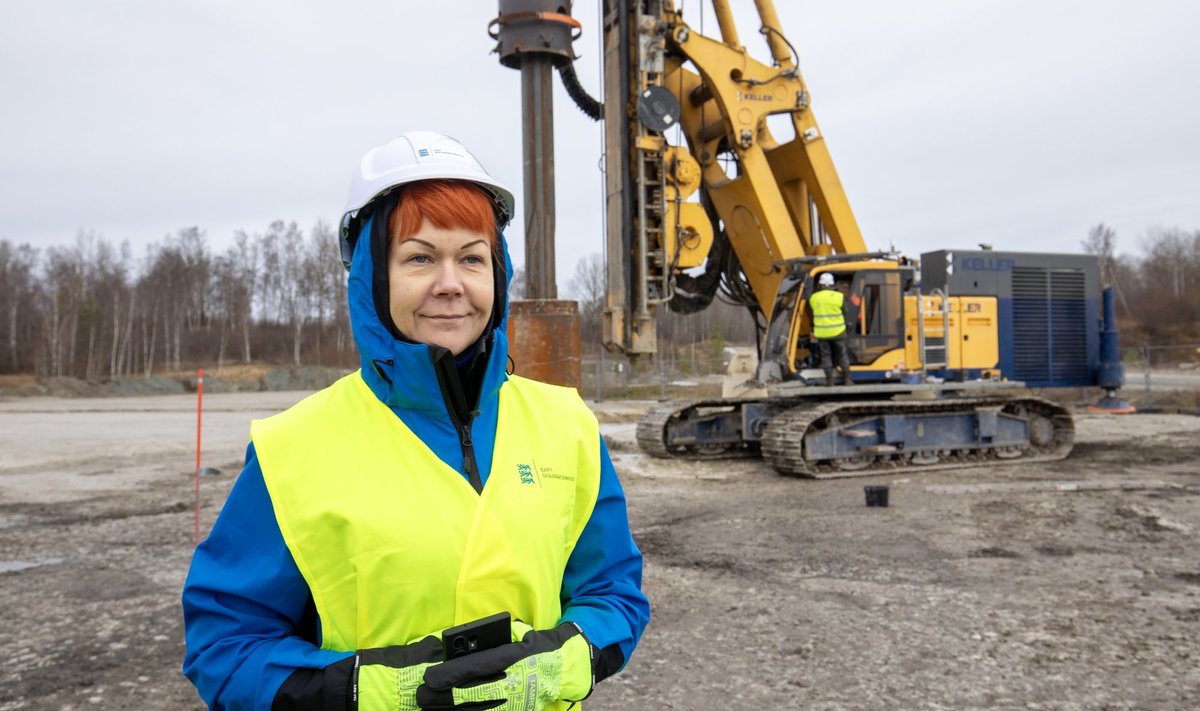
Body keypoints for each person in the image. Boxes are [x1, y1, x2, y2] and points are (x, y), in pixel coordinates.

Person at [181, 131, 650, 710]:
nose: (450, 284)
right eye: (420, 257)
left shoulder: (567, 424)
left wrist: (572, 656)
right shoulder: (293, 450)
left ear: (497, 277)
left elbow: (612, 591)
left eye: (472, 258)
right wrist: (361, 691)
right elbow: (225, 643)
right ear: (373, 278)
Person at [809, 271, 854, 386]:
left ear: (820, 285)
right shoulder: (839, 297)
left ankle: (829, 381)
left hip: (822, 333)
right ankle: (847, 379)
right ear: (833, 284)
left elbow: (811, 312)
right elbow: (846, 311)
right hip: (838, 332)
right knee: (842, 354)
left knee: (825, 356)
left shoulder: (814, 298)